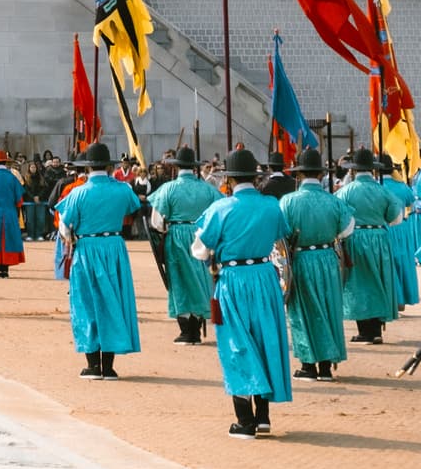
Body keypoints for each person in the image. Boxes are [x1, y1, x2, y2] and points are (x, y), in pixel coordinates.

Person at [192, 148, 294, 438]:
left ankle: (244, 420)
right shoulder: (271, 205)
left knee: (236, 344)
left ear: (230, 178)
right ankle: (263, 416)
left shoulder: (221, 208)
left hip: (233, 279)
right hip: (265, 276)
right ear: (254, 176)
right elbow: (281, 235)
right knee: (265, 341)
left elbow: (200, 250)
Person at [57, 143, 142, 379]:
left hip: (87, 248)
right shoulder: (123, 189)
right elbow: (134, 209)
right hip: (114, 246)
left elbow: (64, 224)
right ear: (108, 165)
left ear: (87, 166)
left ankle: (93, 365)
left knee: (86, 303)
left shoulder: (78, 193)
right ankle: (109, 366)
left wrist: (70, 238)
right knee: (113, 301)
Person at [280, 147, 351, 381]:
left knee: (302, 311)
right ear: (320, 175)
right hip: (328, 258)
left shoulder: (288, 202)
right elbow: (347, 229)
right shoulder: (334, 201)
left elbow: (280, 234)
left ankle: (308, 364)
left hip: (300, 258)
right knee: (329, 308)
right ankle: (326, 366)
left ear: (299, 175)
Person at [146, 146, 219, 345]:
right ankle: (196, 322)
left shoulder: (168, 189)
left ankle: (187, 329)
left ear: (177, 167)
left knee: (179, 281)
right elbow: (219, 211)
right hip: (201, 234)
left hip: (177, 235)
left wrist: (166, 230)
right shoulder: (207, 189)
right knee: (201, 279)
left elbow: (156, 222)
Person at [337, 147, 401, 343]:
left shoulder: (345, 191)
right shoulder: (383, 191)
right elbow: (396, 217)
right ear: (373, 170)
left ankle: (365, 330)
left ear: (354, 170)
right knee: (379, 281)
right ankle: (376, 329)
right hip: (379, 238)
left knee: (358, 283)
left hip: (356, 238)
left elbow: (340, 218)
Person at [377, 153, 418, 313]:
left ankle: (394, 298)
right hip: (402, 228)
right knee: (403, 261)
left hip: (385, 227)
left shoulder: (378, 186)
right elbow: (409, 201)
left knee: (388, 263)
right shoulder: (402, 185)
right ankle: (403, 299)